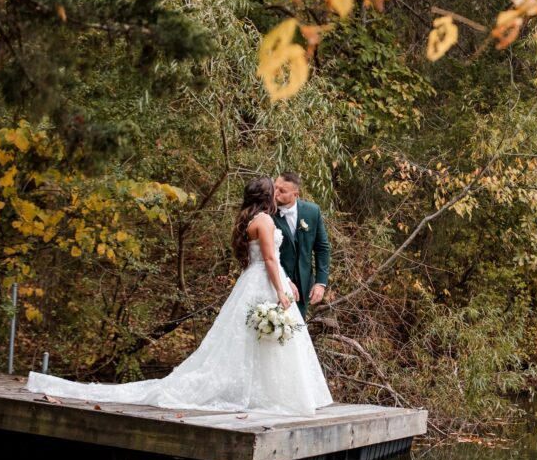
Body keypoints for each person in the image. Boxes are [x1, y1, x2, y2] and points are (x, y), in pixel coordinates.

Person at [26, 176, 333, 415]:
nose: (277, 194)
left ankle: (263, 393)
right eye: (273, 190)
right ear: (266, 197)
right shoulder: (265, 221)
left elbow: (271, 260)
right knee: (263, 338)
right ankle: (273, 395)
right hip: (265, 281)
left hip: (256, 280)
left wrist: (286, 281)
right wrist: (281, 290)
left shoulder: (249, 219)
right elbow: (268, 259)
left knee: (251, 340)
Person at [273, 172, 330, 318]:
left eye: (282, 191)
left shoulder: (312, 211)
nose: (275, 193)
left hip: (303, 288)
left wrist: (320, 283)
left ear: (295, 194)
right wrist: (285, 281)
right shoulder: (266, 213)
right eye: (275, 187)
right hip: (274, 284)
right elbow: (267, 255)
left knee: (296, 332)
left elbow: (322, 248)